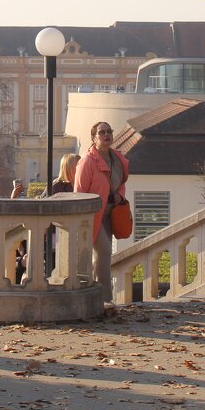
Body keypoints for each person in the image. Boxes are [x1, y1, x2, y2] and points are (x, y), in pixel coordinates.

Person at [74, 121, 129, 304]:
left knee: (101, 256)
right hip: (91, 216)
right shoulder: (87, 161)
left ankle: (96, 298)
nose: (106, 135)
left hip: (110, 214)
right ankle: (105, 300)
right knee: (104, 251)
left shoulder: (117, 158)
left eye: (109, 131)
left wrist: (119, 197)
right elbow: (79, 193)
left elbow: (121, 183)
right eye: (102, 132)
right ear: (94, 138)